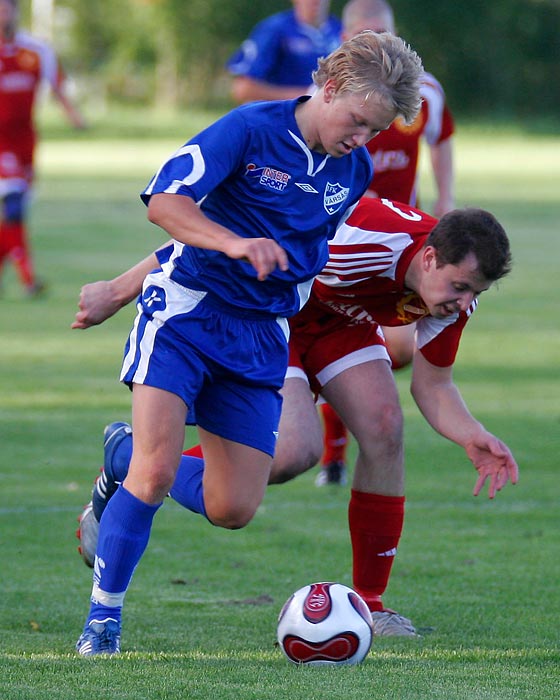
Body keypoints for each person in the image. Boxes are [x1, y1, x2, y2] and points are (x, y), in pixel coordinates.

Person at [72, 30, 423, 657]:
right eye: (359, 121)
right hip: (186, 314)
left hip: (263, 338)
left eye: (375, 130)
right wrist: (154, 277)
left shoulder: (353, 168)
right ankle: (103, 623)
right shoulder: (248, 130)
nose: (362, 138)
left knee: (232, 508)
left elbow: (313, 256)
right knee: (156, 475)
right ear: (330, 87)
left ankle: (120, 458)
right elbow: (166, 205)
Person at [74, 196, 519, 639]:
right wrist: (119, 288)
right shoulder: (358, 238)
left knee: (385, 426)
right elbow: (214, 236)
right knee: (292, 452)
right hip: (271, 321)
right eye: (460, 288)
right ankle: (131, 458)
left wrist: (471, 435)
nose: (464, 302)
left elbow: (434, 386)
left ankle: (371, 605)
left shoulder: (453, 296)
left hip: (339, 327)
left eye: (475, 293)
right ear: (429, 257)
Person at [317, 0, 458, 486]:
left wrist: (447, 201)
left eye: (386, 33)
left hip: (409, 246)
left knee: (391, 352)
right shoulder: (330, 98)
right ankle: (330, 451)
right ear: (347, 38)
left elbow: (440, 140)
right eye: (368, 34)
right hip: (344, 235)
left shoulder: (424, 94)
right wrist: (356, 199)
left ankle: (333, 440)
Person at [0, 0, 85, 297]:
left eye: (5, 7)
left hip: (25, 142)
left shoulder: (35, 50)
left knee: (17, 210)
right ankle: (29, 280)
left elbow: (58, 85)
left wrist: (75, 117)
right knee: (13, 206)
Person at [226, 0, 341, 104]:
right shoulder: (274, 30)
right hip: (284, 119)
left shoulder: (342, 31)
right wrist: (306, 96)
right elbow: (243, 89)